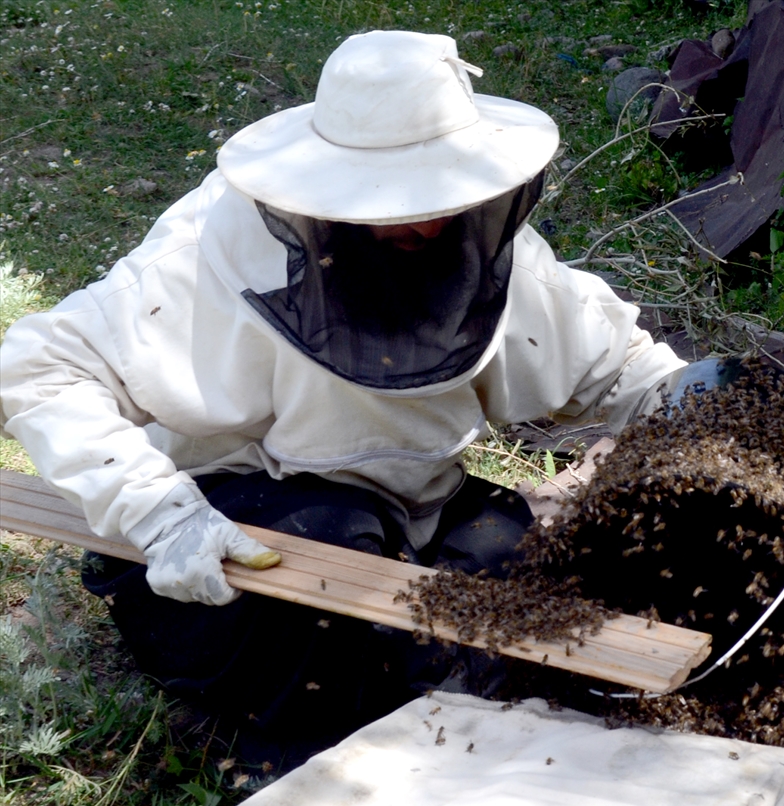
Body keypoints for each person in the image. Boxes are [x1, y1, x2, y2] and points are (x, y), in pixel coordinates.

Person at [0, 31, 690, 766]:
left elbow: (621, 369)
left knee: (529, 568)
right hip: (236, 535)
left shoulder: (483, 247)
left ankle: (438, 705)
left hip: (414, 516)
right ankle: (273, 753)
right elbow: (35, 365)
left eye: (444, 197)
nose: (426, 222)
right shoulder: (210, 249)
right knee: (337, 555)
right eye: (400, 200)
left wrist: (692, 402)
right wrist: (160, 514)